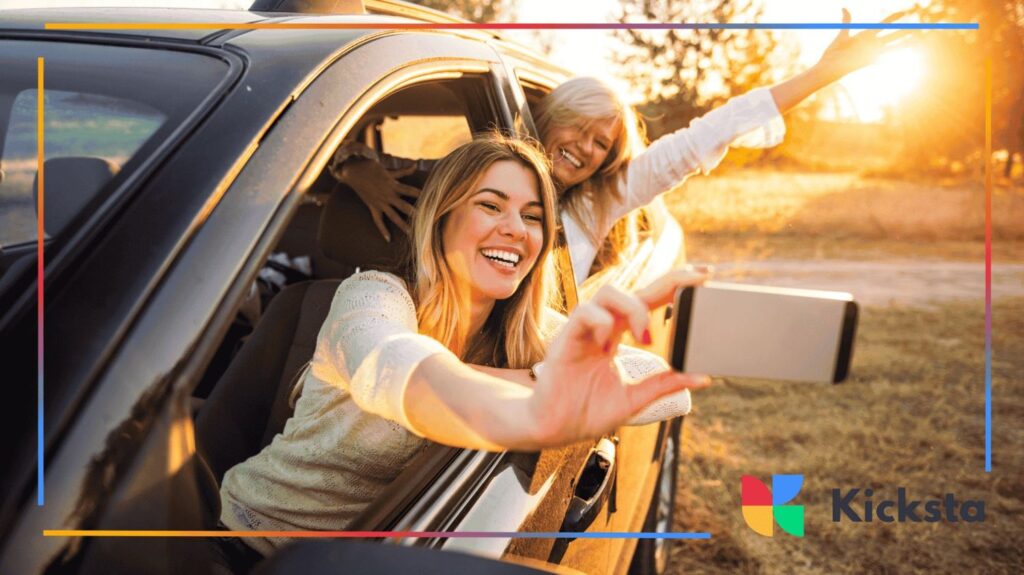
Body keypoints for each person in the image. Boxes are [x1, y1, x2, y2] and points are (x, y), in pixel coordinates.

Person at [218, 134, 711, 556]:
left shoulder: (531, 330)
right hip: (244, 545)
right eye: (491, 205)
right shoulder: (370, 297)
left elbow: (666, 388)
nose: (516, 229)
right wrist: (538, 402)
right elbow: (396, 368)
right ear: (442, 219)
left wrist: (541, 377)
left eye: (533, 216)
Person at [335, 9, 911, 285]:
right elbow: (345, 152)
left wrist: (816, 77)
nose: (584, 150)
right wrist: (355, 165)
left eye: (601, 145)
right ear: (549, 119)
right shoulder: (475, 174)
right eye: (577, 130)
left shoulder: (599, 203)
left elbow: (706, 136)